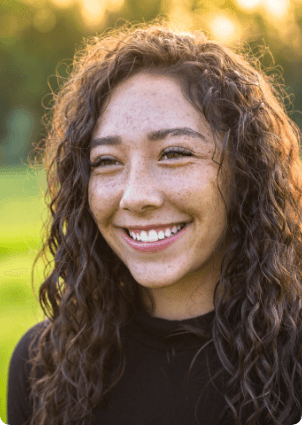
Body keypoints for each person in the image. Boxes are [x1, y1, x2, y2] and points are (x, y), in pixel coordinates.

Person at [6, 20, 302, 425]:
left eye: (174, 153)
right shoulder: (42, 363)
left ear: (246, 171)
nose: (136, 196)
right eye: (107, 161)